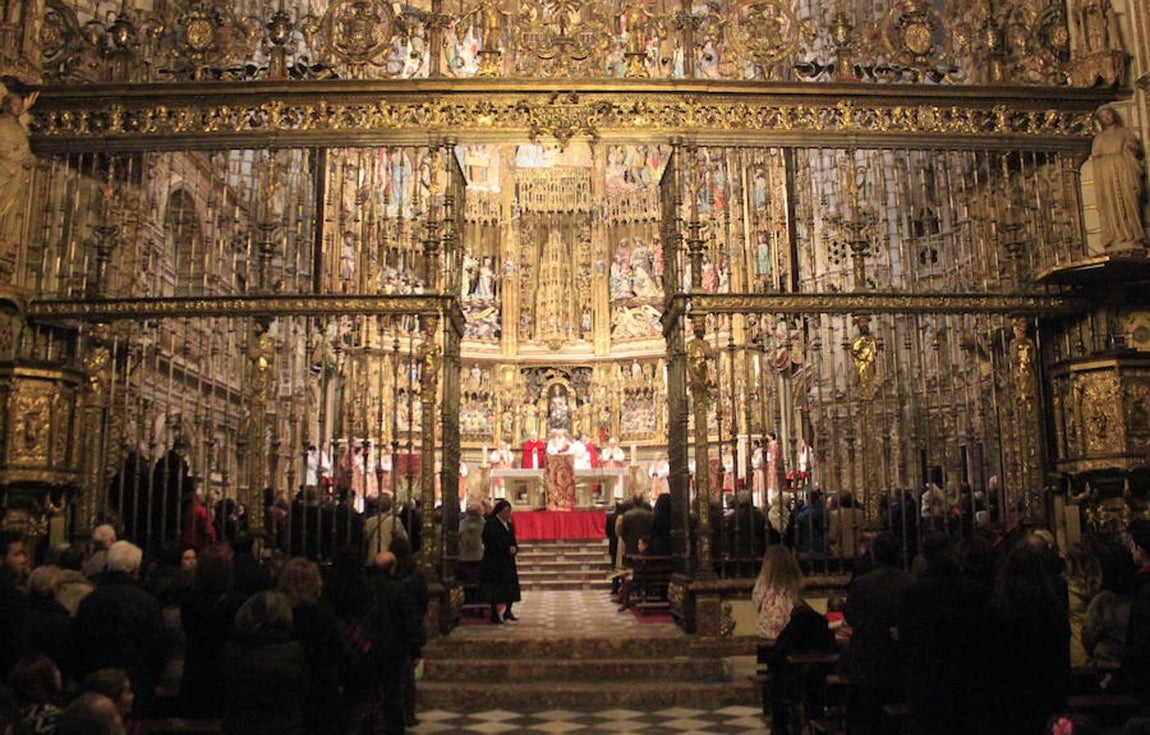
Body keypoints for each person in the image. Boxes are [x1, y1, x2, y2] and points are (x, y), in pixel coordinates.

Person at [73, 541, 165, 717]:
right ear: (136, 569)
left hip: (96, 679)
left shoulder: (89, 600)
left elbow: (78, 642)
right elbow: (156, 645)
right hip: (135, 683)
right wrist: (153, 680)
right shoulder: (146, 602)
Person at [843, 532, 915, 735]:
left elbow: (850, 616)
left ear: (874, 556)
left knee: (868, 717)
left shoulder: (862, 584)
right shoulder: (911, 582)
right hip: (901, 659)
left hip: (868, 660)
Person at [221, 591, 307, 735]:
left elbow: (224, 690)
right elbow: (302, 692)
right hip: (284, 727)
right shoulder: (294, 653)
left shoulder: (231, 652)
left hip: (240, 727)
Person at [1090, 106, 1146, 253]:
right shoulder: (1099, 138)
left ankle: (1132, 235)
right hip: (1107, 176)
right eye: (1103, 116)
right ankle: (1116, 236)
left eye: (1108, 113)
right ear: (1100, 121)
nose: (1107, 117)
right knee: (1111, 205)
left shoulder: (1124, 133)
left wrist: (1125, 152)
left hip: (1124, 171)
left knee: (1129, 201)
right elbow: (1096, 158)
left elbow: (1134, 148)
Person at [480, 499, 521, 624]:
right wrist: (506, 548)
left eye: (509, 511)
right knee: (495, 588)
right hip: (495, 562)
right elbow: (489, 541)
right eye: (505, 511)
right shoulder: (491, 524)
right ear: (499, 512)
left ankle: (508, 610)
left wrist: (515, 548)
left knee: (510, 587)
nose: (508, 514)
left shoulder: (509, 525)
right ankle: (494, 613)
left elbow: (513, 540)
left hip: (507, 561)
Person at [752, 545, 803, 641]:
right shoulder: (791, 582)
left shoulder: (764, 581)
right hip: (787, 627)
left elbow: (757, 600)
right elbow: (796, 600)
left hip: (766, 629)